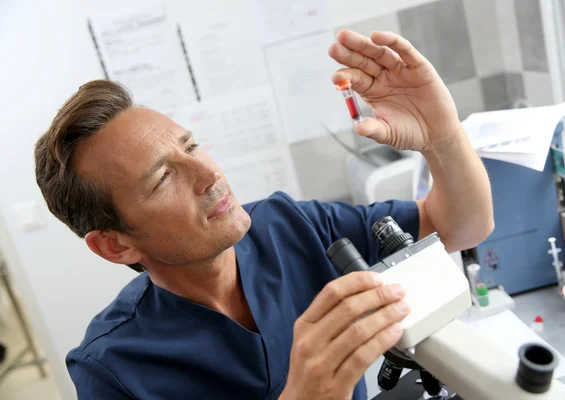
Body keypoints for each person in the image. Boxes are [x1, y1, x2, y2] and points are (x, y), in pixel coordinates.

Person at [34, 30, 493, 399]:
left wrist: (442, 136)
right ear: (115, 244)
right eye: (161, 179)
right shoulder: (113, 368)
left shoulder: (289, 226)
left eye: (191, 146)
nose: (208, 174)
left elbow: (462, 225)